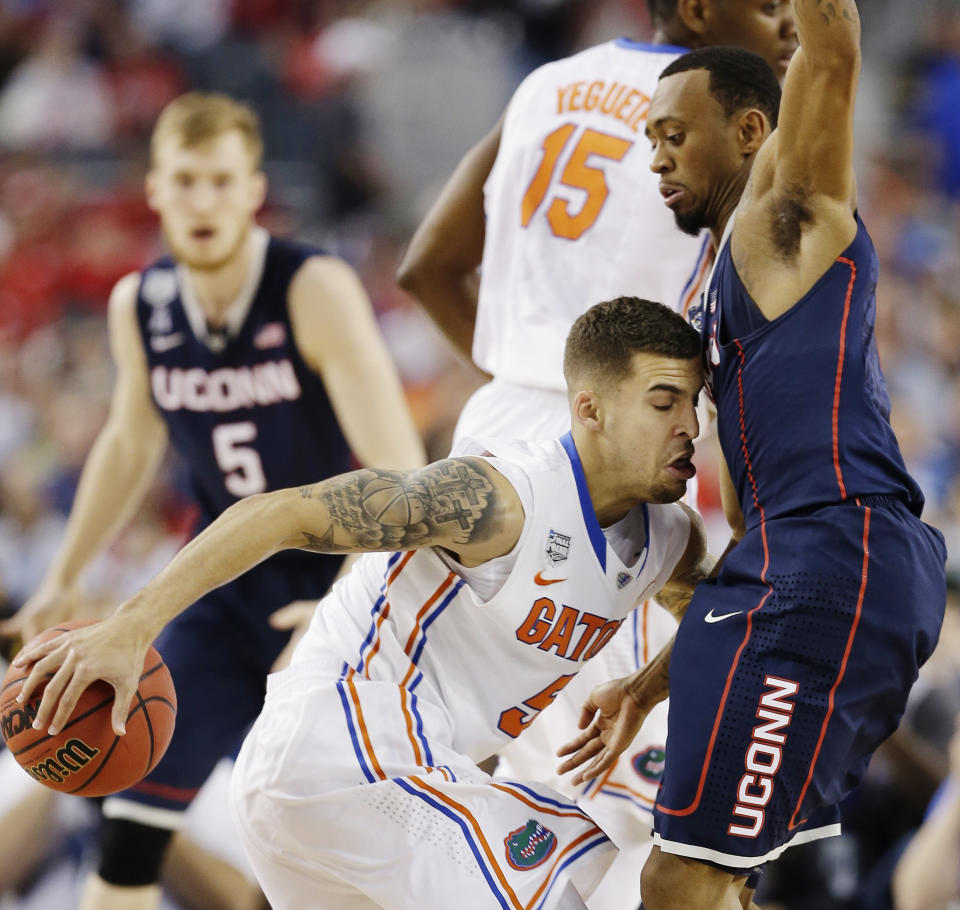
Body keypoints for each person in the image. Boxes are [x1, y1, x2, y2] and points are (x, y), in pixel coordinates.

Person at [16, 296, 709, 910]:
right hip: (342, 748)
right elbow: (282, 512)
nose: (689, 425)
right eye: (662, 402)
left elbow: (714, 615)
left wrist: (644, 690)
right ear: (590, 408)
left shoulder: (668, 541)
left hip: (368, 787)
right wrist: (134, 624)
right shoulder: (499, 500)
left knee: (595, 869)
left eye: (693, 401)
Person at [397, 4, 796, 906]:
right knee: (654, 831)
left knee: (518, 802)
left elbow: (425, 265)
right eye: (771, 4)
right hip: (613, 462)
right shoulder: (725, 122)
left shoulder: (542, 86)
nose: (790, 24)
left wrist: (547, 389)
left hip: (501, 432)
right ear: (698, 11)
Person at [557, 6, 948, 909]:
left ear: (747, 132)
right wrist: (647, 687)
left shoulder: (787, 218)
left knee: (681, 882)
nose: (654, 156)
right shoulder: (714, 296)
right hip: (787, 569)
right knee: (714, 885)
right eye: (648, 138)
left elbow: (834, 50)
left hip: (834, 558)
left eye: (672, 134)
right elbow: (744, 537)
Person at [0, 91, 425, 910]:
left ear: (254, 189)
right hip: (219, 590)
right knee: (127, 831)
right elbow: (130, 442)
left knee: (348, 854)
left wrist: (349, 604)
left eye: (223, 182)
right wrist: (64, 573)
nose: (205, 201)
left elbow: (401, 472)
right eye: (187, 181)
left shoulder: (312, 286)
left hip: (334, 589)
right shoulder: (144, 304)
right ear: (153, 189)